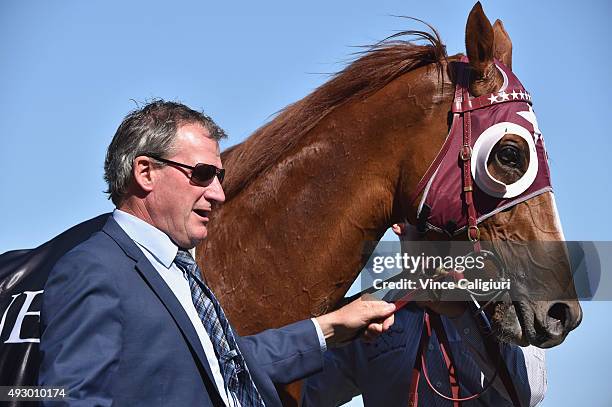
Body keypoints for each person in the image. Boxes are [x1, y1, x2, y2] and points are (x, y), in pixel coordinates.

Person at [37, 100, 396, 406]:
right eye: (202, 174)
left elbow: (225, 363)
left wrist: (328, 328)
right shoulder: (93, 268)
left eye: (219, 177)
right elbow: (69, 397)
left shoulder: (179, 268)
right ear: (145, 172)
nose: (218, 194)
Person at [301, 224, 547, 407]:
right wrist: (322, 327)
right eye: (424, 229)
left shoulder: (501, 302)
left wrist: (462, 315)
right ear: (399, 225)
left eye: (447, 231)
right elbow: (304, 397)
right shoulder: (371, 314)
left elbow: (530, 391)